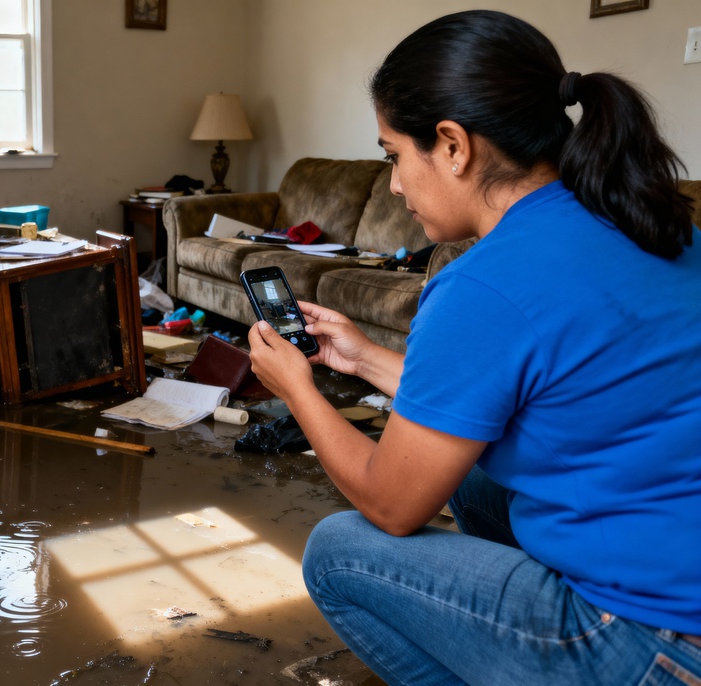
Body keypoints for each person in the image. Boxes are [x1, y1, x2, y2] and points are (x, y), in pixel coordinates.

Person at [247, 10, 701, 685]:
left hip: (655, 640)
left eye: (394, 155)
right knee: (481, 487)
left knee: (337, 553)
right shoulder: (653, 220)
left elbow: (394, 505)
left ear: (453, 145)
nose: (396, 185)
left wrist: (301, 392)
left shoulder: (483, 285)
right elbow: (534, 387)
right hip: (677, 557)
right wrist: (365, 356)